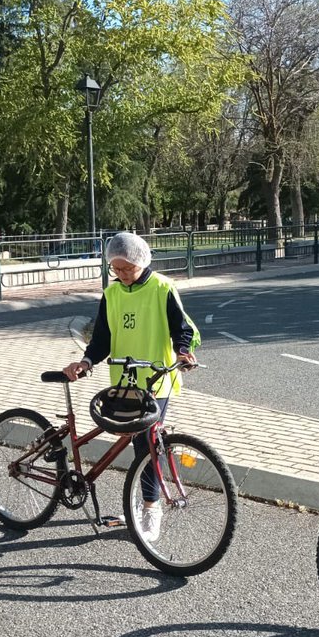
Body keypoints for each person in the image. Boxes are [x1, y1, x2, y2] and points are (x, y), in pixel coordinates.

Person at [62, 232, 199, 542]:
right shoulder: (111, 294)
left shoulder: (162, 288)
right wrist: (86, 362)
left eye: (127, 268)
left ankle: (151, 511)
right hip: (124, 382)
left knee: (149, 445)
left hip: (157, 380)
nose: (122, 275)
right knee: (138, 445)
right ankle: (141, 505)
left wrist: (182, 352)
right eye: (116, 269)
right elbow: (102, 340)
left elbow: (182, 329)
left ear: (141, 261)